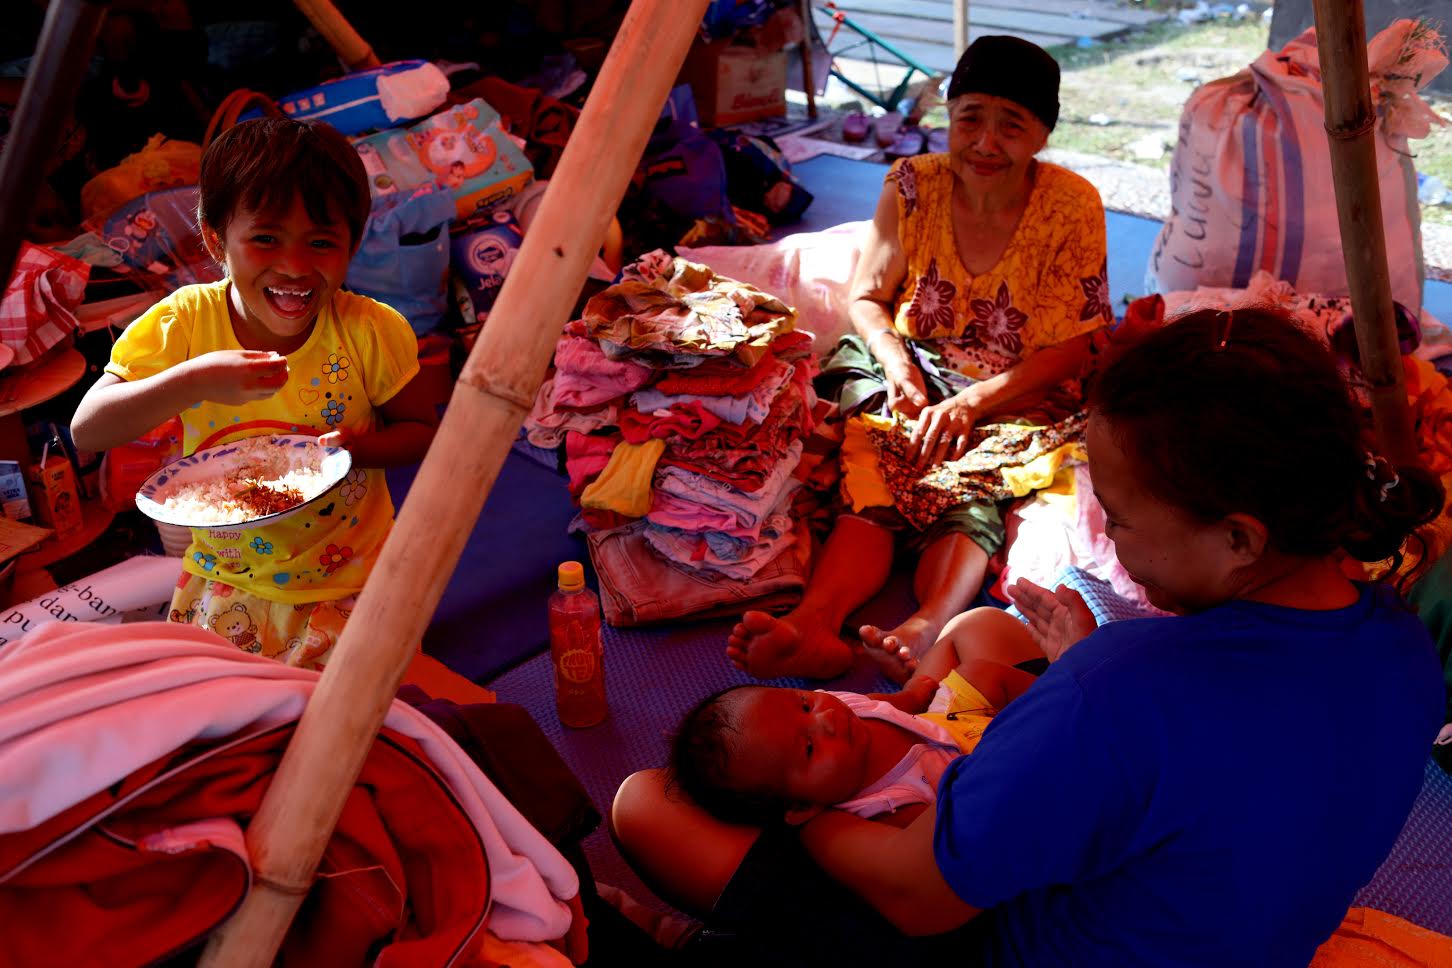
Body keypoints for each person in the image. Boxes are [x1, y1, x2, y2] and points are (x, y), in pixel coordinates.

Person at [615, 307, 1447, 966]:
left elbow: (917, 895)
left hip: (998, 941)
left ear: (1241, 537)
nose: (1110, 541)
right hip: (1242, 937)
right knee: (987, 629)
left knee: (647, 804)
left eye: (1118, 520)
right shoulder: (1408, 650)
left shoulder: (1117, 691)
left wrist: (802, 818)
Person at [727, 35, 1113, 680]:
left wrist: (971, 405)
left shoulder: (1072, 205)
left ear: (1041, 136)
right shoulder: (911, 184)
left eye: (1011, 125)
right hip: (912, 363)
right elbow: (869, 298)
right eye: (969, 119)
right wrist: (898, 364)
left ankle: (928, 626)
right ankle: (814, 623)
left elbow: (1073, 347)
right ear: (948, 118)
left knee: (974, 491)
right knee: (875, 471)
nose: (986, 143)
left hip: (1018, 387)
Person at [71, 117, 438, 668]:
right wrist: (193, 379)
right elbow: (88, 429)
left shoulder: (370, 331)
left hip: (353, 577)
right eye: (265, 238)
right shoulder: (185, 324)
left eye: (321, 243)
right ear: (218, 239)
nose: (294, 267)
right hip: (227, 581)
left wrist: (354, 451)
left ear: (352, 244)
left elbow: (421, 432)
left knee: (356, 729)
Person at [670, 608, 1040, 833]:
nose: (826, 717)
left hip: (944, 720)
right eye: (810, 747)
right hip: (984, 767)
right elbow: (963, 826)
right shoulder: (885, 808)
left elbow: (879, 705)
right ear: (802, 807)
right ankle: (1062, 712)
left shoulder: (836, 707)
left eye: (803, 703)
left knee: (976, 634)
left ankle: (1060, 698)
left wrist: (910, 696)